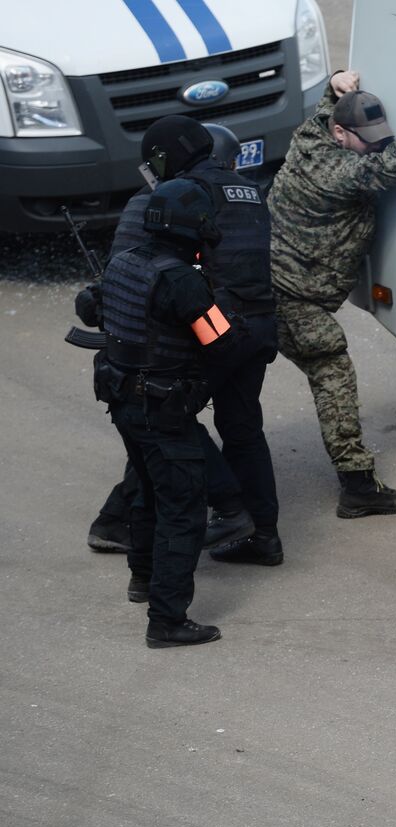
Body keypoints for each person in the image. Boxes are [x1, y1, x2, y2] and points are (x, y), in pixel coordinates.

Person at [85, 116, 283, 568]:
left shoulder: (170, 197)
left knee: (163, 423)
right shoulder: (248, 190)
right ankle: (264, 536)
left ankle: (130, 523)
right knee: (243, 429)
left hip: (204, 330)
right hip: (255, 331)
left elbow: (133, 268)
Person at [268, 57, 396, 517]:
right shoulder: (342, 173)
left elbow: (324, 109)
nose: (373, 150)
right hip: (290, 298)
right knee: (331, 369)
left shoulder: (311, 134)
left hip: (269, 286)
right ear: (340, 135)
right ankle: (357, 486)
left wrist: (335, 83)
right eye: (365, 141)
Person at [93, 178, 244, 647]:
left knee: (147, 493)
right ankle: (167, 620)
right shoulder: (181, 280)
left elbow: (94, 307)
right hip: (162, 409)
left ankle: (142, 578)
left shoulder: (122, 263)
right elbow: (221, 341)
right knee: (183, 509)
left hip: (123, 403)